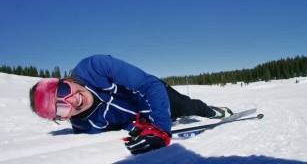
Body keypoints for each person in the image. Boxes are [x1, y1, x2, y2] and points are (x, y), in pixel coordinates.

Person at [30, 55, 232, 155]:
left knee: (186, 107)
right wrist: (136, 127)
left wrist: (162, 129)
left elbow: (149, 84)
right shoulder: (84, 126)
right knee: (173, 117)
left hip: (153, 95)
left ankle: (213, 111)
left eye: (64, 92)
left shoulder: (94, 67)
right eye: (62, 108)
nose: (73, 100)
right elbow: (116, 126)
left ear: (64, 80)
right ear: (62, 118)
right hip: (145, 117)